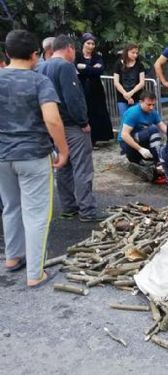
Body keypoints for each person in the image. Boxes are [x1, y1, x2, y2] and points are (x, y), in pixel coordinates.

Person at [0, 30, 69, 287]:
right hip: (33, 155)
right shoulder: (39, 81)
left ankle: (12, 257)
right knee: (37, 213)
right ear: (35, 55)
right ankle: (35, 274)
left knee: (11, 206)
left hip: (2, 156)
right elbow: (52, 119)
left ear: (7, 54)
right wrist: (63, 150)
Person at [38, 35, 103, 222]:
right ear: (69, 48)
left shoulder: (42, 66)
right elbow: (73, 98)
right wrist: (83, 122)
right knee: (82, 167)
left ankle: (68, 207)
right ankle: (87, 210)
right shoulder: (65, 67)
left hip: (53, 125)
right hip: (72, 124)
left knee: (63, 165)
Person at [76, 32, 113, 145]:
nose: (91, 46)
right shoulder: (77, 56)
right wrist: (91, 69)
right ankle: (87, 139)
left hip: (96, 90)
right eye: (88, 43)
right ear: (83, 43)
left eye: (93, 44)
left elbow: (99, 70)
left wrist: (85, 68)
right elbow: (76, 69)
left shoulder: (97, 57)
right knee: (85, 113)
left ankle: (98, 138)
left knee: (98, 113)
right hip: (81, 89)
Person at [119, 90, 167, 176]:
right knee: (153, 129)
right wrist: (140, 149)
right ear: (141, 102)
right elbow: (124, 135)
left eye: (153, 105)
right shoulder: (133, 113)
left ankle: (158, 163)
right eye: (149, 105)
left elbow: (163, 127)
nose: (151, 107)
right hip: (127, 144)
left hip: (141, 140)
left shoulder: (153, 112)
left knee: (162, 148)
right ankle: (158, 163)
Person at [113, 43, 146, 129]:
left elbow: (142, 82)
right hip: (122, 97)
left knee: (137, 120)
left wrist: (131, 93)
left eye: (136, 53)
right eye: (133, 52)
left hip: (136, 96)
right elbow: (116, 82)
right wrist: (126, 94)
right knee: (125, 120)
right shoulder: (118, 64)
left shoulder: (139, 65)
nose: (135, 55)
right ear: (127, 52)